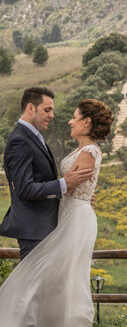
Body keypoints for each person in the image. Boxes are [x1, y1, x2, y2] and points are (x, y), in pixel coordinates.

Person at [0, 98, 114, 327]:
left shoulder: (88, 152)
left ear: (87, 122)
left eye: (75, 117)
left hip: (75, 219)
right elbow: (71, 185)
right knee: (53, 281)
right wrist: (77, 192)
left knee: (64, 281)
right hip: (70, 215)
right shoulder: (84, 150)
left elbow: (74, 187)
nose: (69, 121)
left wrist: (81, 195)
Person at [0, 86, 94, 260]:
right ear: (30, 108)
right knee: (32, 287)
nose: (52, 115)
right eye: (47, 110)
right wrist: (65, 184)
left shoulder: (33, 136)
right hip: (35, 231)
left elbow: (41, 181)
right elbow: (25, 189)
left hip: (45, 229)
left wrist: (75, 194)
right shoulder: (20, 141)